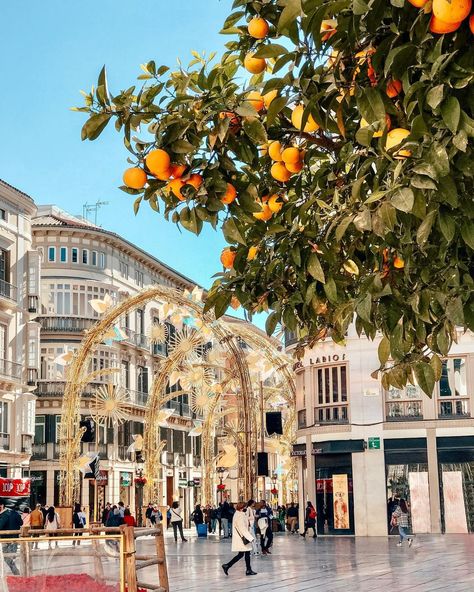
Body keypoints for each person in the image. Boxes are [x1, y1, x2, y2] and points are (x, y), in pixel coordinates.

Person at [222, 502, 257, 577]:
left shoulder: (238, 514)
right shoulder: (240, 515)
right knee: (243, 554)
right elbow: (242, 528)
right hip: (242, 538)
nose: (246, 509)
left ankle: (229, 566)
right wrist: (250, 538)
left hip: (241, 537)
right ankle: (229, 566)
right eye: (245, 507)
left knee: (243, 554)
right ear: (242, 508)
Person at [0, 502, 22, 575]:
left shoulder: (4, 515)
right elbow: (21, 523)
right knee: (10, 556)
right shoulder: (16, 514)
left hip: (6, 539)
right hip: (14, 538)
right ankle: (15, 571)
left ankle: (15, 571)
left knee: (6, 557)